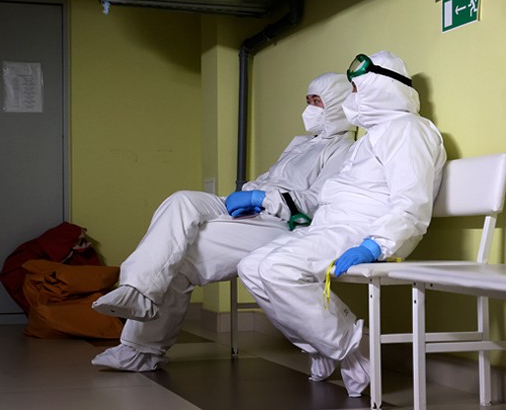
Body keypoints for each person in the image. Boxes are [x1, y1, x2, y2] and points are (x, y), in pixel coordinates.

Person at [91, 73, 354, 372]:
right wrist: (249, 192)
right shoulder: (301, 143)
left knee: (181, 257)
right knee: (181, 200)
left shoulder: (344, 149)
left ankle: (140, 350)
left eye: (317, 102)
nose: (309, 109)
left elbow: (317, 202)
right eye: (308, 101)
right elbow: (271, 177)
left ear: (337, 105)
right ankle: (136, 289)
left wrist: (262, 198)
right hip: (250, 208)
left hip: (280, 222)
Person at [236, 51, 446, 397]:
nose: (352, 98)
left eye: (357, 89)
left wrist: (376, 243)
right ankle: (321, 344)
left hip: (365, 230)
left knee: (277, 270)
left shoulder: (408, 130)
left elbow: (411, 201)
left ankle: (352, 347)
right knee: (250, 267)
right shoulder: (373, 137)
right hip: (332, 225)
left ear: (379, 88)